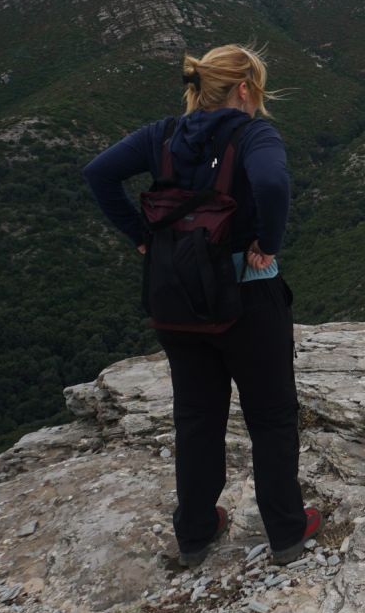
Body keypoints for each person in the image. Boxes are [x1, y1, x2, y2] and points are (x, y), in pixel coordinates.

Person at [82, 43, 322, 567]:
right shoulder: (254, 132)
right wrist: (269, 241)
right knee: (272, 415)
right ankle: (285, 531)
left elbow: (98, 173)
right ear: (244, 88)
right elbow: (272, 182)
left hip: (176, 298)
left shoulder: (161, 135)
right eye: (256, 90)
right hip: (247, 296)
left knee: (196, 415)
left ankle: (195, 532)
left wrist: (139, 235)